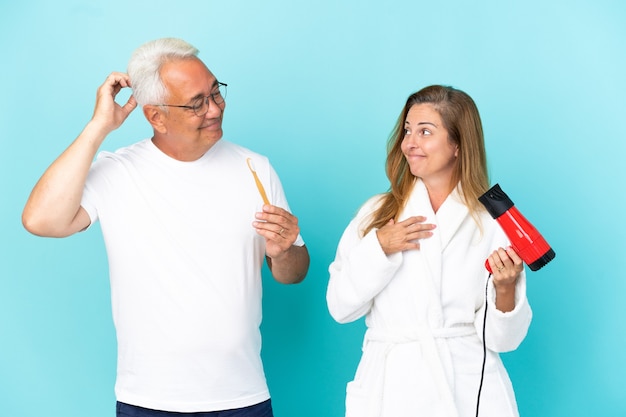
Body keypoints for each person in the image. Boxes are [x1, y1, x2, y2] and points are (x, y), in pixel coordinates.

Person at [22, 38, 309, 417]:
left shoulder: (255, 168)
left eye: (215, 93)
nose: (214, 110)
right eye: (196, 103)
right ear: (155, 116)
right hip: (148, 400)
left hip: (243, 397)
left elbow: (292, 275)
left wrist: (286, 250)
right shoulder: (117, 172)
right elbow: (40, 220)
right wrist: (98, 127)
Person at [326, 85, 532, 417]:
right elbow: (340, 307)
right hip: (390, 388)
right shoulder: (376, 213)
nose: (409, 143)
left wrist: (505, 288)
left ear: (457, 145)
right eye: (408, 130)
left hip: (467, 386)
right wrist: (381, 247)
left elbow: (503, 341)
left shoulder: (491, 222)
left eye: (425, 132)